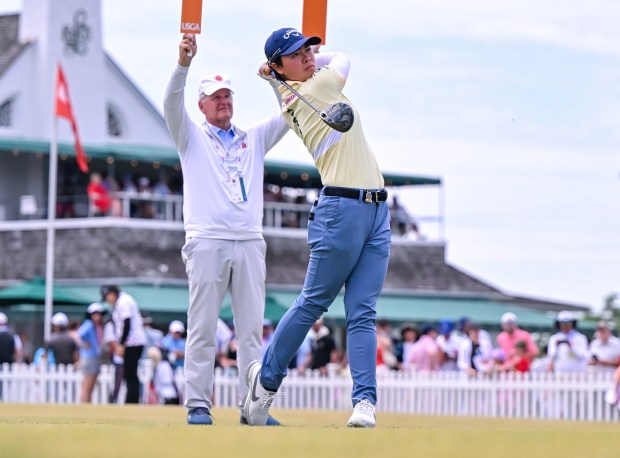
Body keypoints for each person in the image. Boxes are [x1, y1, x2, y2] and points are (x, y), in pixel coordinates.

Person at [244, 28, 391, 428]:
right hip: (340, 211)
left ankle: (364, 402)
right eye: (296, 53)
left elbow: (299, 71)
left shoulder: (292, 89)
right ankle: (267, 382)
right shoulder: (320, 84)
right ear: (279, 66)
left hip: (377, 210)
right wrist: (317, 60)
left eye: (308, 49)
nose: (308, 56)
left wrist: (276, 73)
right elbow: (342, 58)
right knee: (313, 303)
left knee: (363, 312)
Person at [163, 34, 289, 426]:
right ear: (201, 104)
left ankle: (253, 409)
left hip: (250, 241)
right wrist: (183, 64)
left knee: (251, 333)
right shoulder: (191, 136)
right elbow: (170, 104)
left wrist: (275, 80)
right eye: (216, 96)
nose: (224, 101)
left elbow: (290, 112)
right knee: (201, 328)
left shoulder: (253, 137)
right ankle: (198, 405)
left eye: (228, 95)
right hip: (206, 240)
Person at [101, 285, 146, 404]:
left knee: (131, 374)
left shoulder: (123, 302)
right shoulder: (121, 302)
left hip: (133, 342)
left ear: (111, 293)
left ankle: (132, 402)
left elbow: (127, 323)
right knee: (129, 374)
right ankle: (131, 401)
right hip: (131, 342)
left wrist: (121, 344)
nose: (107, 301)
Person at [77, 303, 106, 403]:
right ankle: (84, 406)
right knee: (87, 385)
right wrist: (85, 344)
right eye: (95, 314)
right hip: (89, 357)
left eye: (99, 314)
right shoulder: (89, 324)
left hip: (95, 356)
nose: (97, 316)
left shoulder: (97, 326)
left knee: (92, 385)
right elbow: (79, 336)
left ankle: (87, 405)